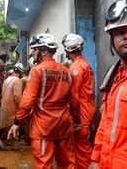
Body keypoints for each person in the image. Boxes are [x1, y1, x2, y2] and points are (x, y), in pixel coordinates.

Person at [7, 33, 81, 168]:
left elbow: (27, 100)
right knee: (69, 165)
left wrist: (18, 121)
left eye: (35, 50)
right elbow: (75, 101)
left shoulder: (37, 71)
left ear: (44, 51)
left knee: (44, 165)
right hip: (64, 126)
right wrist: (77, 120)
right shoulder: (67, 72)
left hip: (43, 129)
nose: (33, 54)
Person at [89, 0, 127, 168]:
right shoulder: (116, 76)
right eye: (120, 32)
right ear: (112, 39)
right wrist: (95, 158)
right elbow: (106, 122)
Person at [62, 33, 96, 169]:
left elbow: (74, 97)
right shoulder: (85, 64)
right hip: (88, 109)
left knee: (82, 149)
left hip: (82, 113)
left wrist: (76, 119)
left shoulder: (76, 68)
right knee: (82, 146)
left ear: (68, 50)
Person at [0, 63, 24, 130]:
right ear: (20, 73)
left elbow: (2, 94)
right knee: (13, 127)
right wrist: (22, 108)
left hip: (4, 107)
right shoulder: (17, 80)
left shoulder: (6, 80)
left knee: (7, 127)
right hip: (12, 108)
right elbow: (17, 97)